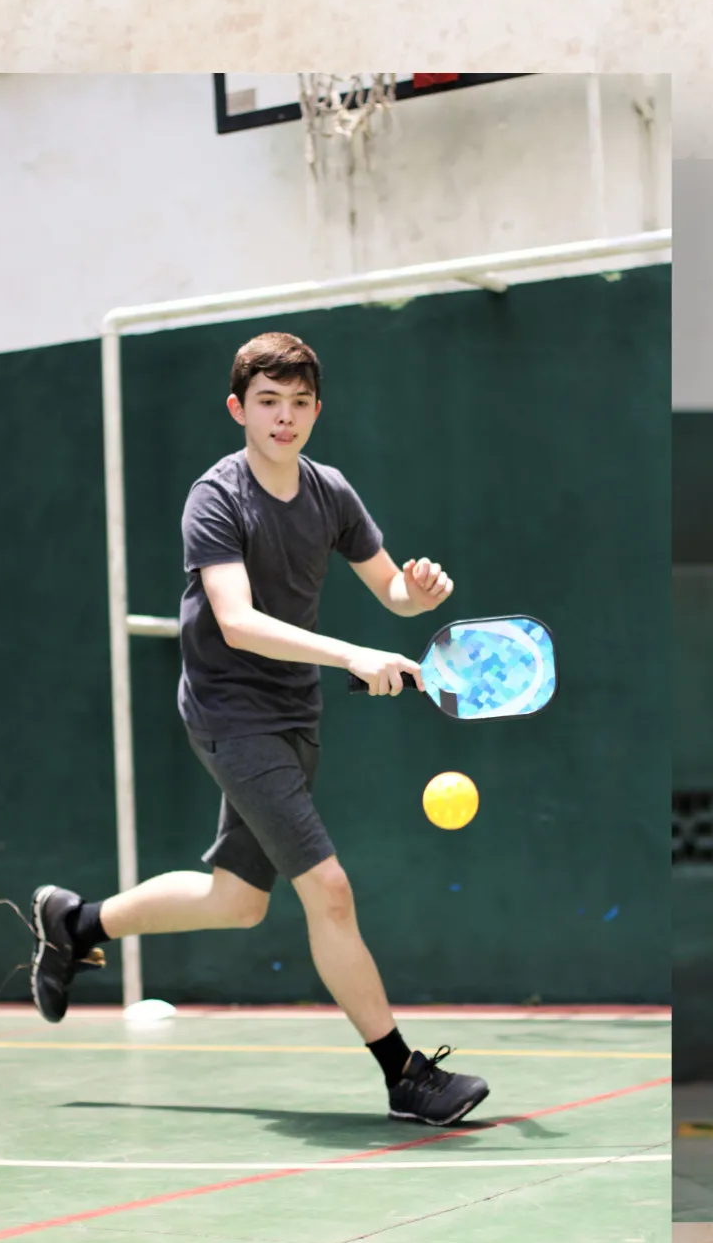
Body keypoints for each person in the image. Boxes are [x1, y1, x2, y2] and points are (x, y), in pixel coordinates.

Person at [30, 329, 490, 1126]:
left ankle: (75, 923)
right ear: (239, 408)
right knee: (330, 891)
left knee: (238, 899)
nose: (286, 418)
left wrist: (421, 591)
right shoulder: (216, 497)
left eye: (301, 403)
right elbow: (238, 622)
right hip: (228, 716)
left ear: (318, 409)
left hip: (291, 716)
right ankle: (404, 1074)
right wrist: (353, 655)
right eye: (269, 403)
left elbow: (393, 595)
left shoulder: (330, 492)